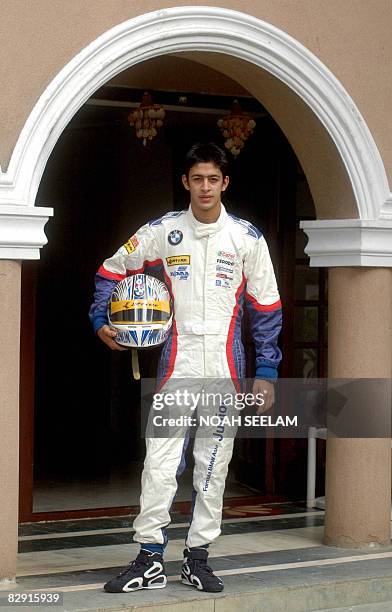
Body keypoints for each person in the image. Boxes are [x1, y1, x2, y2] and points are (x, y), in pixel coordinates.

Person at [89, 142, 282, 594]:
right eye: (197, 179)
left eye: (213, 179)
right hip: (177, 365)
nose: (205, 187)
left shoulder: (247, 239)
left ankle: (198, 558)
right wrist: (102, 320)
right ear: (186, 183)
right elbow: (110, 271)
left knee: (212, 467)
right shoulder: (162, 232)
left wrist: (268, 371)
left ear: (225, 183)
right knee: (159, 463)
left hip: (225, 368)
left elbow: (266, 307)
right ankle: (149, 558)